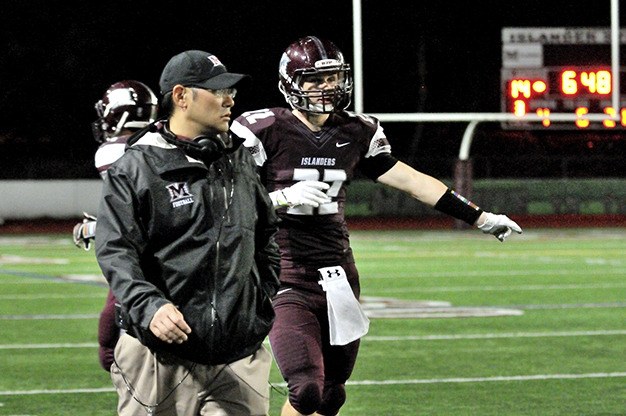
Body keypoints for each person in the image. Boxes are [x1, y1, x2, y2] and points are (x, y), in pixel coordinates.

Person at [231, 36, 523, 416]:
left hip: (338, 272)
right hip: (284, 270)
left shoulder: (357, 130)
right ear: (291, 83)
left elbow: (412, 181)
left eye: (333, 78)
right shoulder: (261, 128)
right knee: (305, 389)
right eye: (315, 80)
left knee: (332, 393)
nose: (327, 88)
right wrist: (281, 198)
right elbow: (229, 205)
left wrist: (480, 217)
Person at [95, 50, 281, 416]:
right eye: (218, 91)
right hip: (158, 357)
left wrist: (259, 305)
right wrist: (150, 307)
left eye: (232, 91)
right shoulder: (136, 166)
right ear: (181, 97)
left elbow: (266, 238)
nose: (231, 100)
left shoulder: (240, 158)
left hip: (238, 357)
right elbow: (116, 251)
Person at [72, 80, 159, 371]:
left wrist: (98, 229)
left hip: (143, 264)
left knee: (111, 347)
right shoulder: (165, 142)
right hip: (162, 256)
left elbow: (142, 216)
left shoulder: (114, 152)